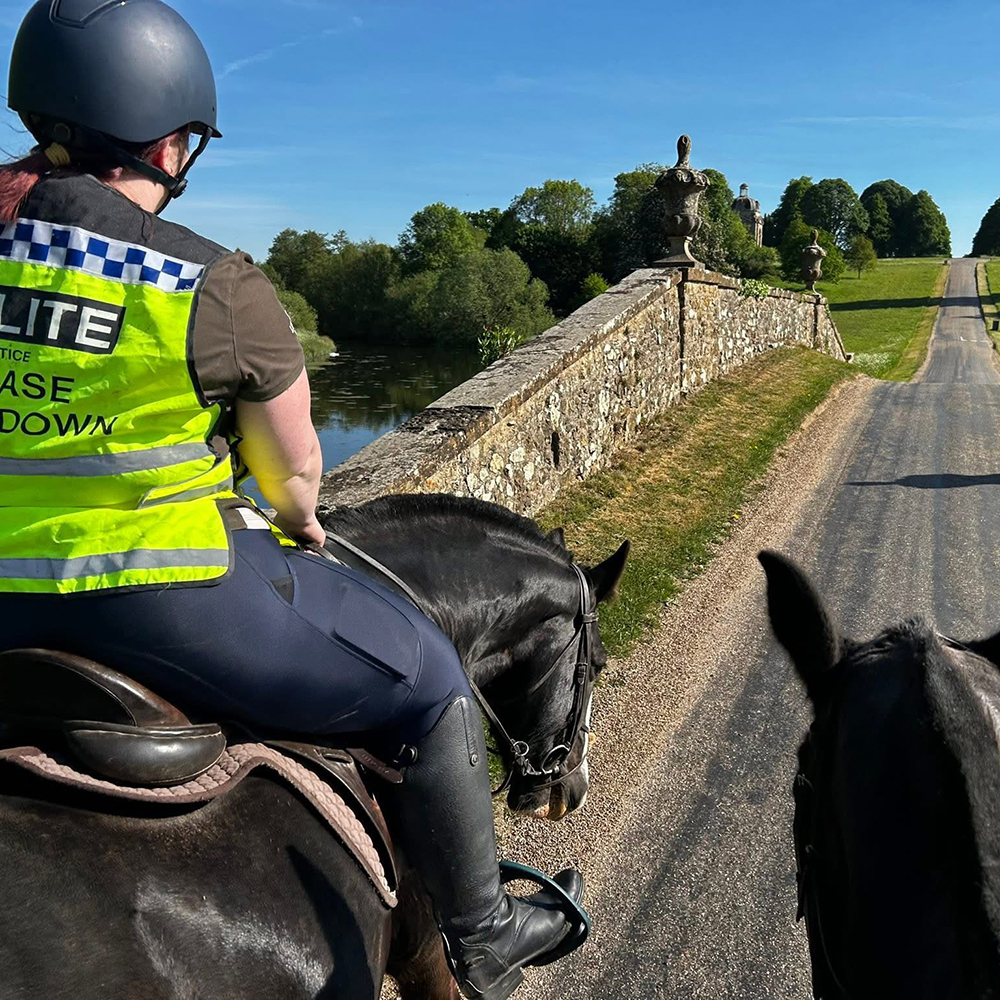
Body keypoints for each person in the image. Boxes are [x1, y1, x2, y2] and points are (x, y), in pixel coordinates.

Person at [0, 2, 584, 998]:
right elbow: (291, 475)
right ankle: (482, 934)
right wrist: (298, 515)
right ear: (175, 140)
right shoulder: (208, 283)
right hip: (161, 594)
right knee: (431, 681)